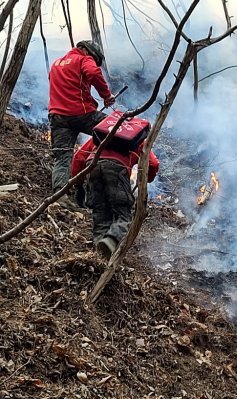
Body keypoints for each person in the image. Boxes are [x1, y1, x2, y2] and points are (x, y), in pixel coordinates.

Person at [48, 40, 115, 208]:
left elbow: (67, 86)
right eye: (94, 58)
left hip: (58, 117)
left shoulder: (56, 64)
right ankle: (103, 187)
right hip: (81, 114)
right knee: (114, 130)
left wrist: (90, 99)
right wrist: (106, 96)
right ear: (87, 50)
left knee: (62, 157)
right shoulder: (83, 59)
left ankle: (59, 196)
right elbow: (93, 72)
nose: (94, 61)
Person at [70, 137, 159, 259]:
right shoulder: (135, 136)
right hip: (117, 168)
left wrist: (78, 185)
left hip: (92, 166)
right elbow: (153, 164)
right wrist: (146, 178)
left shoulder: (103, 133)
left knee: (100, 214)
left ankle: (100, 257)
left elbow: (79, 157)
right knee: (124, 215)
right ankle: (111, 241)